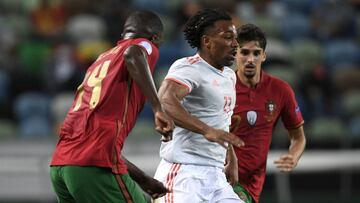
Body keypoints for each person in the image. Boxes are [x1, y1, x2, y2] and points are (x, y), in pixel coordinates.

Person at [50, 10, 174, 203]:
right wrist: (158, 108)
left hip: (62, 166)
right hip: (92, 166)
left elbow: (98, 143)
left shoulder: (102, 58)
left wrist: (144, 180)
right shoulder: (143, 45)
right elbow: (133, 53)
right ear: (155, 37)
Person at [153, 8, 244, 203]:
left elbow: (221, 120)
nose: (236, 44)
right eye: (228, 37)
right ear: (207, 41)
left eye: (236, 38)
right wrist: (205, 130)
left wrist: (231, 156)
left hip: (216, 174)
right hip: (184, 172)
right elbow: (166, 99)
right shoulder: (188, 67)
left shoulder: (229, 75)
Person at [231, 23, 307, 203]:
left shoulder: (280, 90)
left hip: (251, 184)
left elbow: (298, 137)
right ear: (235, 54)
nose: (251, 59)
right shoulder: (222, 87)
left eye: (256, 53)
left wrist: (293, 156)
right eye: (244, 52)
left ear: (264, 56)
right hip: (219, 176)